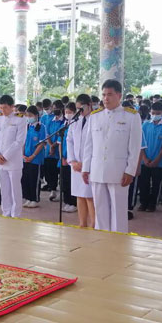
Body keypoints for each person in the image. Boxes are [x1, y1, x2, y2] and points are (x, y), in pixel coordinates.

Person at [82, 80, 142, 233]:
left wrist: (130, 170)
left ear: (119, 95)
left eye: (109, 94)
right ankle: (101, 244)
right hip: (97, 170)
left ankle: (118, 245)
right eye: (103, 95)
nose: (105, 98)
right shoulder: (95, 116)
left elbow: (135, 147)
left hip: (119, 171)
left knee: (118, 212)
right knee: (100, 210)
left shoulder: (131, 117)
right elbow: (89, 145)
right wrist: (85, 168)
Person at [0, 94, 27, 218]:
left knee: (15, 189)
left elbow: (19, 141)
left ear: (12, 107)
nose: (2, 110)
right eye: (0, 107)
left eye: (5, 107)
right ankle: (6, 212)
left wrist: (5, 156)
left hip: (13, 161)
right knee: (4, 189)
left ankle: (16, 213)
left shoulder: (20, 119)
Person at [138, 101, 162, 212]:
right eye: (153, 112)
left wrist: (157, 159)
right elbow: (141, 142)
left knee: (156, 184)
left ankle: (152, 204)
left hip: (159, 160)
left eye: (158, 113)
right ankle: (143, 203)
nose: (155, 115)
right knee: (144, 183)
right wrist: (144, 158)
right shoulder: (146, 124)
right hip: (145, 159)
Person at [68, 94, 94, 227]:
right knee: (79, 195)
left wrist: (86, 164)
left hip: (89, 165)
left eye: (81, 108)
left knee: (90, 196)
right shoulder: (75, 121)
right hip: (76, 165)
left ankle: (94, 226)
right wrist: (72, 161)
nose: (79, 111)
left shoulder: (95, 119)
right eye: (77, 108)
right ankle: (82, 224)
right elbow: (69, 140)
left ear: (89, 105)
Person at [22, 106, 47, 208]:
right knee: (26, 179)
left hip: (36, 159)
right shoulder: (26, 126)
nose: (28, 117)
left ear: (36, 116)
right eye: (27, 115)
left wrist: (33, 156)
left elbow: (41, 144)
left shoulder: (41, 127)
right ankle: (28, 198)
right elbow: (23, 142)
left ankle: (35, 199)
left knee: (34, 179)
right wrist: (23, 154)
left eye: (30, 115)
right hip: (25, 158)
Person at [58, 102, 78, 214]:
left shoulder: (76, 124)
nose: (67, 114)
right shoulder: (64, 125)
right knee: (64, 182)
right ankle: (67, 202)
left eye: (70, 112)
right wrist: (62, 157)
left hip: (73, 159)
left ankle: (73, 203)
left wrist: (70, 158)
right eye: (66, 112)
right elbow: (60, 143)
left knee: (72, 182)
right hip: (64, 159)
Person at [44, 100, 65, 200]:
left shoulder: (64, 121)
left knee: (61, 173)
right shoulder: (50, 120)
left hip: (59, 150)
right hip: (49, 150)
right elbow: (47, 133)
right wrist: (50, 145)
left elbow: (62, 135)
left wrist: (54, 145)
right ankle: (52, 190)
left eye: (57, 108)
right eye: (54, 108)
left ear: (61, 109)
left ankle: (63, 192)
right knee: (50, 171)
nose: (55, 110)